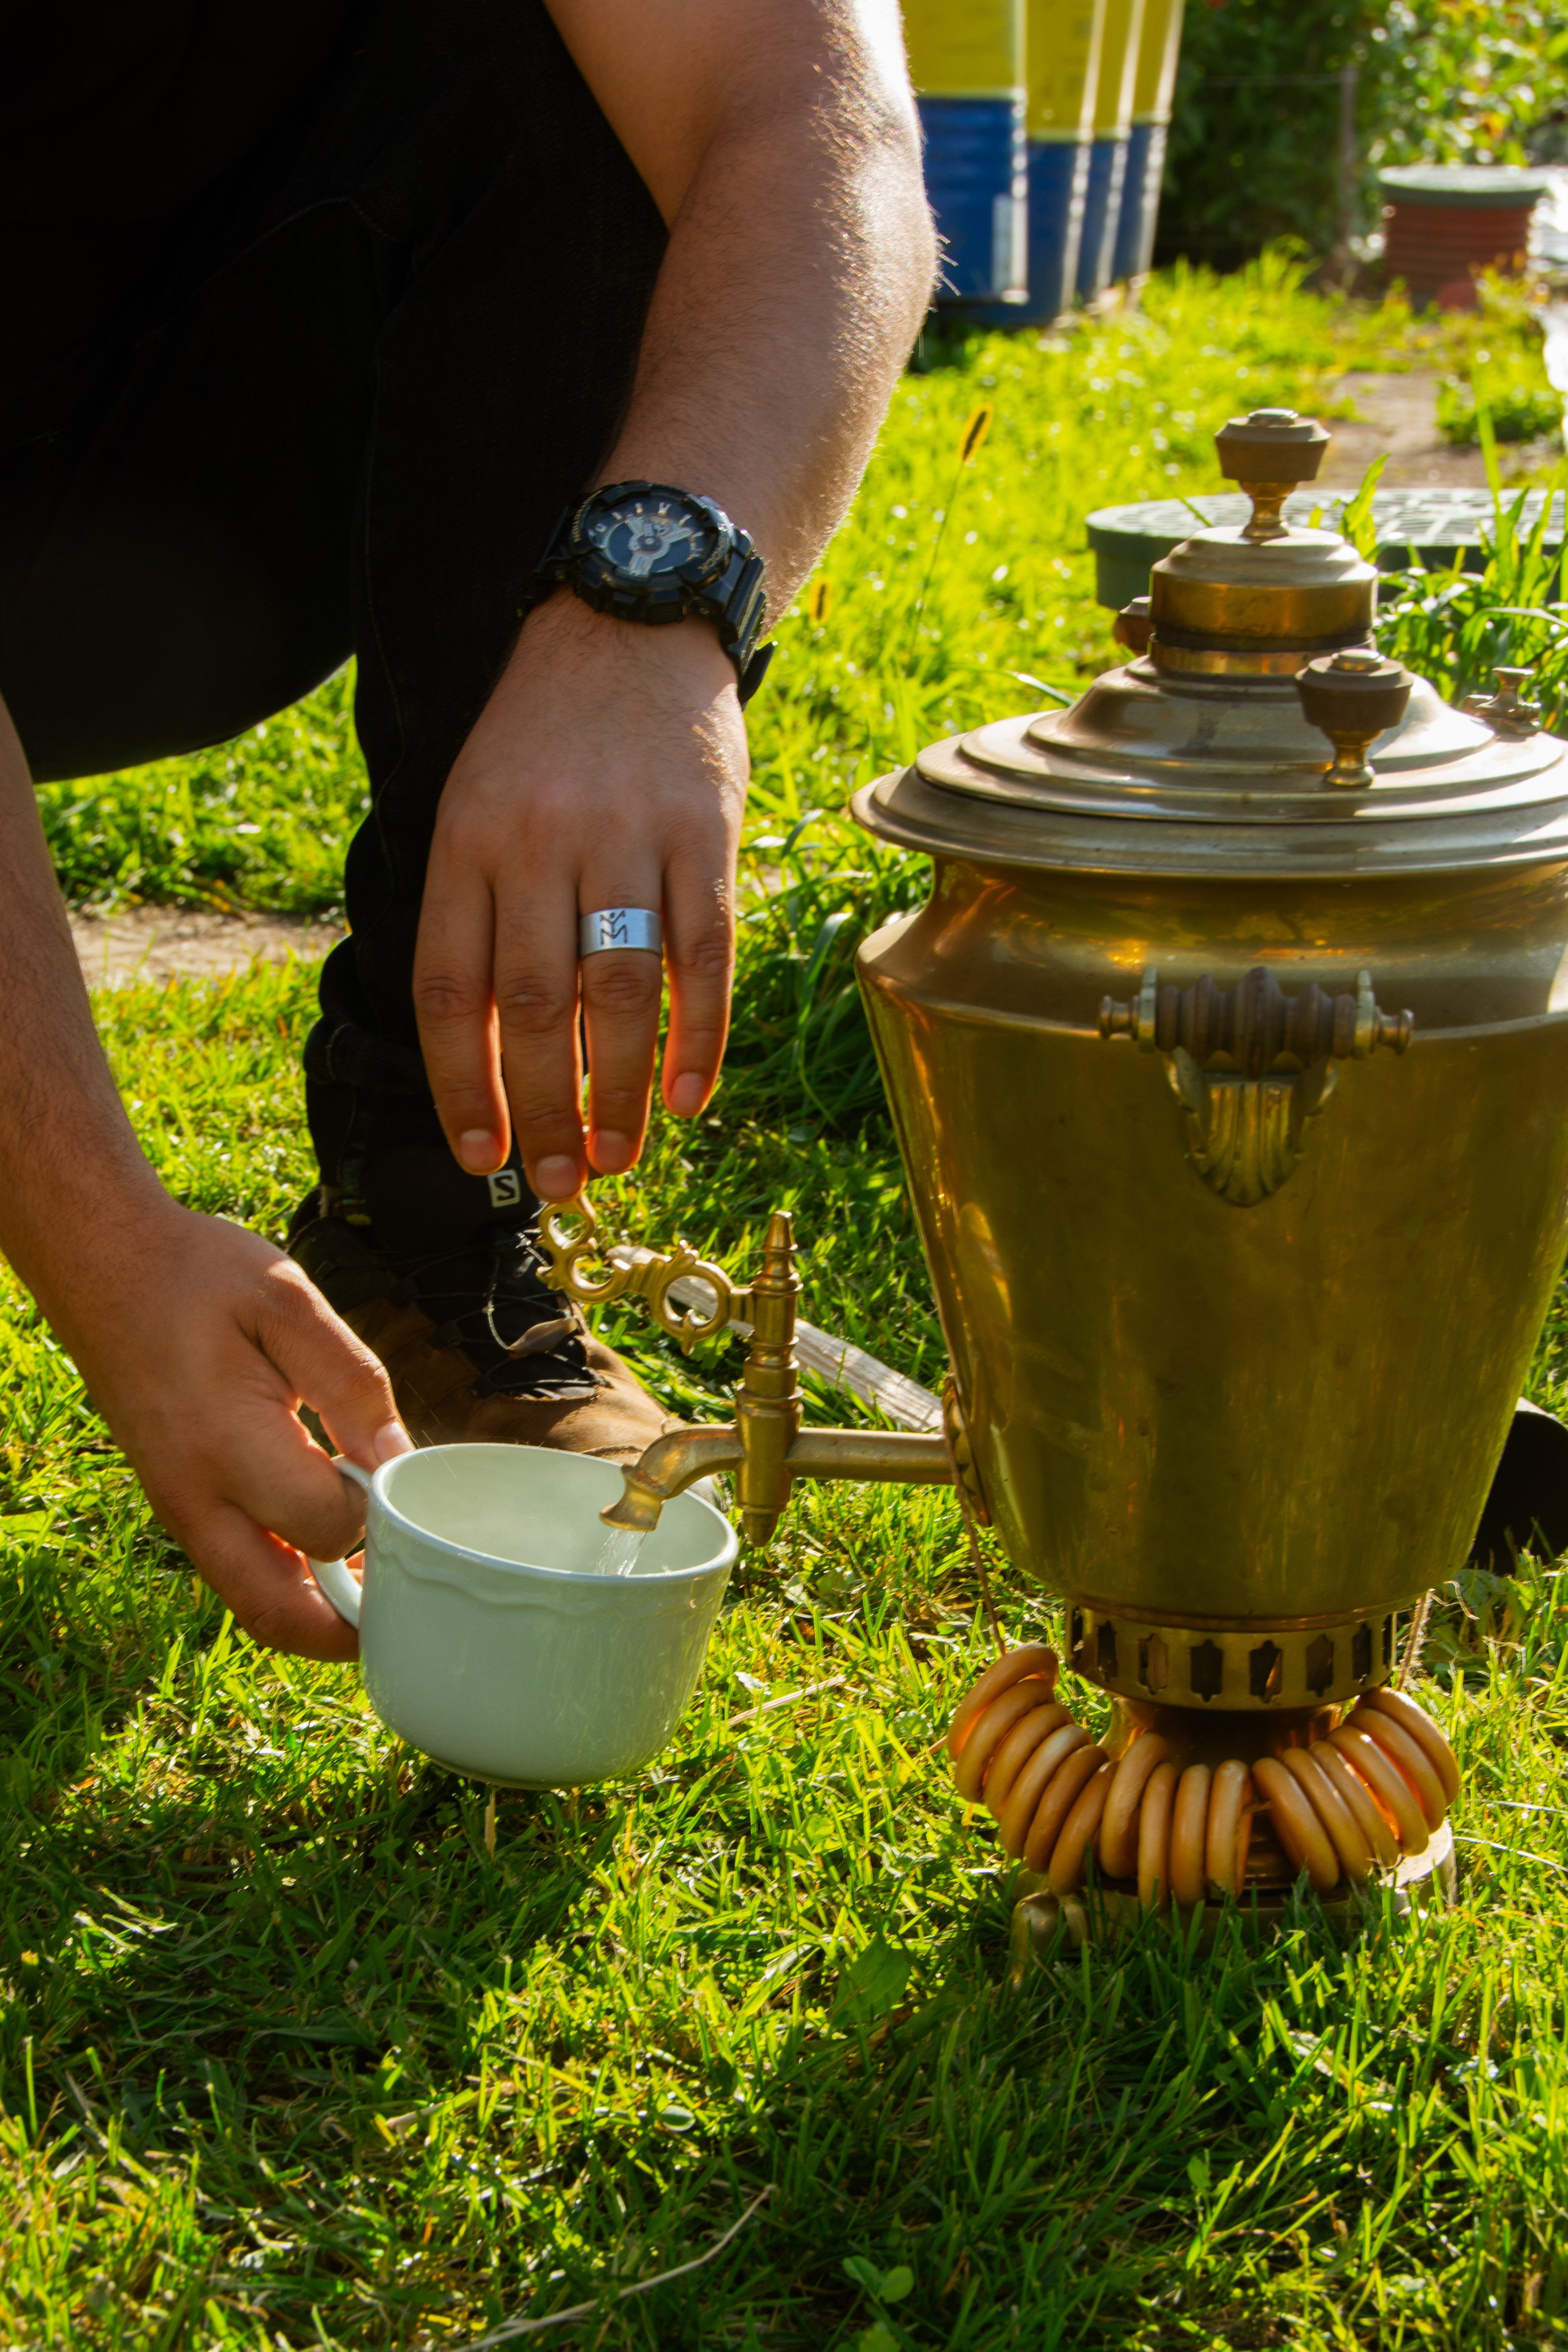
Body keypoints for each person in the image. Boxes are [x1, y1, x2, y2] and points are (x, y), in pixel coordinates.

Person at [0, 3, 936, 1659]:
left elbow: (811, 114)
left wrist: (650, 612)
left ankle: (432, 1234)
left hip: (171, 484)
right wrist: (104, 1243)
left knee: (551, 62)